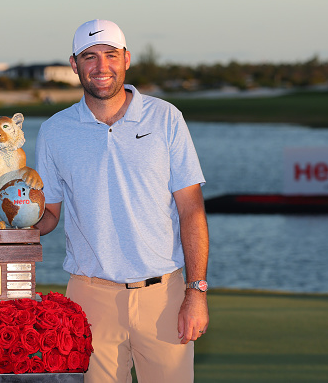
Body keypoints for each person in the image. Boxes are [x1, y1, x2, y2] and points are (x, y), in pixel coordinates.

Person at [34, 19, 209, 383]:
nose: (101, 67)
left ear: (126, 59)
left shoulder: (166, 118)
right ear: (74, 64)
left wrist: (196, 292)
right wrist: (10, 228)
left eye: (110, 55)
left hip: (163, 296)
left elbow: (191, 210)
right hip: (89, 296)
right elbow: (49, 213)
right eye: (89, 57)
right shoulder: (54, 131)